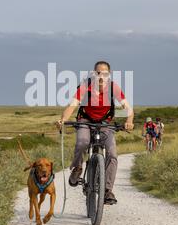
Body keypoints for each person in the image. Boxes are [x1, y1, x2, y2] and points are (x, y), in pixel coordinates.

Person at [56, 61, 134, 205]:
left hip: (105, 123)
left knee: (112, 154)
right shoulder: (86, 86)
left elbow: (127, 107)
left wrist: (129, 120)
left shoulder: (113, 87)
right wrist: (63, 120)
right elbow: (72, 105)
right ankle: (77, 168)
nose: (101, 76)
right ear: (93, 73)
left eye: (104, 73)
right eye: (98, 72)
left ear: (108, 75)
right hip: (85, 120)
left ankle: (107, 190)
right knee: (82, 142)